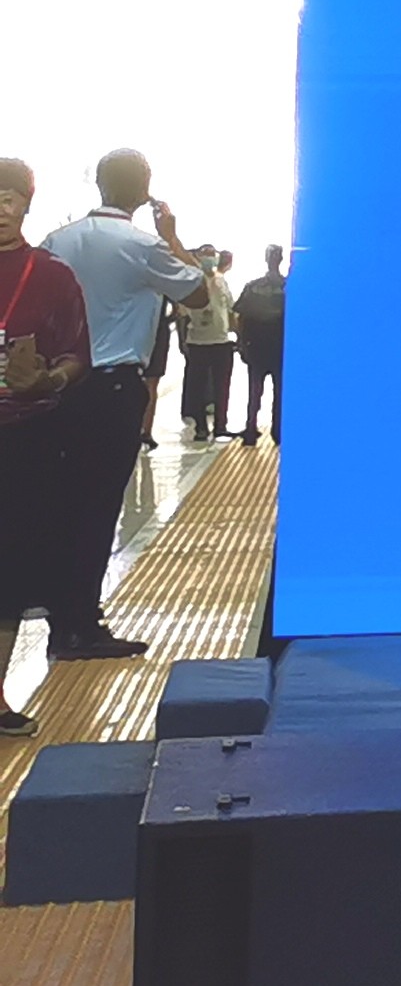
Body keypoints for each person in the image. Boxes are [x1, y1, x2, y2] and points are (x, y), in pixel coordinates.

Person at [37, 149, 207, 658]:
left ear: (99, 184)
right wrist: (171, 234)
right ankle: (81, 628)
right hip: (112, 390)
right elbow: (198, 294)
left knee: (62, 505)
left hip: (59, 387)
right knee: (99, 505)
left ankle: (62, 621)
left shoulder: (57, 241)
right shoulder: (142, 245)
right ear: (144, 190)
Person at [0, 158, 93, 736]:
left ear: (26, 205)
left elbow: (76, 356)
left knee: (8, 571)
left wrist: (48, 380)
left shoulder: (53, 275)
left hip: (22, 441)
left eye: (8, 197)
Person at [174, 247, 237, 441]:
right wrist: (182, 341)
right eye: (206, 255)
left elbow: (230, 309)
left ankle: (221, 426)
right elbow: (181, 312)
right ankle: (201, 427)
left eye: (212, 255)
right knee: (198, 387)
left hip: (221, 341)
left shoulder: (221, 281)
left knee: (222, 386)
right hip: (197, 342)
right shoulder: (192, 282)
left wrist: (237, 336)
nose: (209, 259)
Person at [231, 246, 285, 442]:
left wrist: (241, 343)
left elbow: (241, 317)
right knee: (279, 392)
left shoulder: (253, 287)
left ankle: (250, 430)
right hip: (279, 347)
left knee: (255, 391)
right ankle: (277, 432)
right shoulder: (289, 287)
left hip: (257, 346)